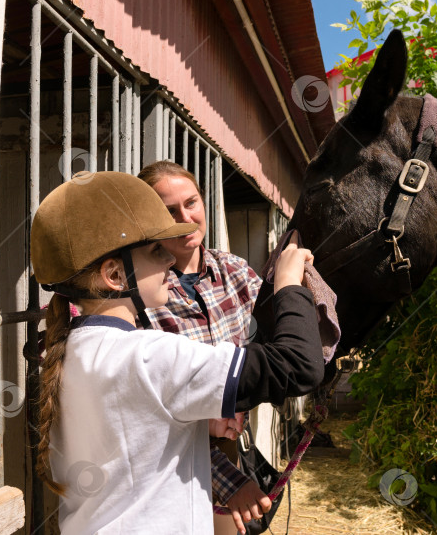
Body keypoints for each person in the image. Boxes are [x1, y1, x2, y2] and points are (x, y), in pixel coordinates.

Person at [30, 171, 322, 534]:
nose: (168, 260)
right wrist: (289, 282)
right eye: (154, 251)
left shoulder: (69, 350)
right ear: (115, 275)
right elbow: (298, 367)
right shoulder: (152, 356)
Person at [137, 161, 267, 534]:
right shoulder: (146, 296)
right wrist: (231, 482)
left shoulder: (236, 272)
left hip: (228, 446)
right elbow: (156, 414)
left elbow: (271, 351)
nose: (185, 218)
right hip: (170, 459)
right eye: (169, 211)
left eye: (191, 203)